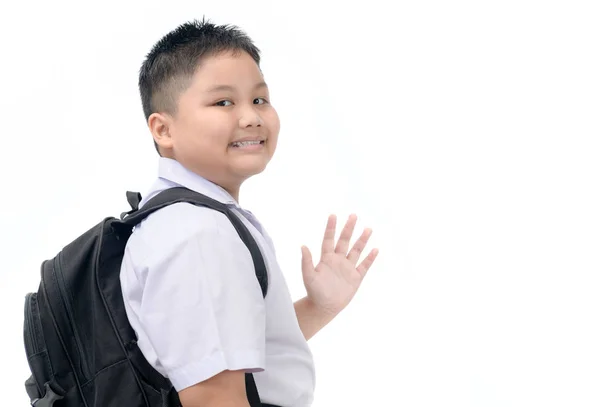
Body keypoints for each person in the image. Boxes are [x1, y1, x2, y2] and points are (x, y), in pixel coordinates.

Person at [119, 18, 379, 407]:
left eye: (259, 99)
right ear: (163, 130)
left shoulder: (191, 220)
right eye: (223, 102)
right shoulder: (197, 233)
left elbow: (232, 351)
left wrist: (317, 308)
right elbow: (212, 399)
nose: (251, 117)